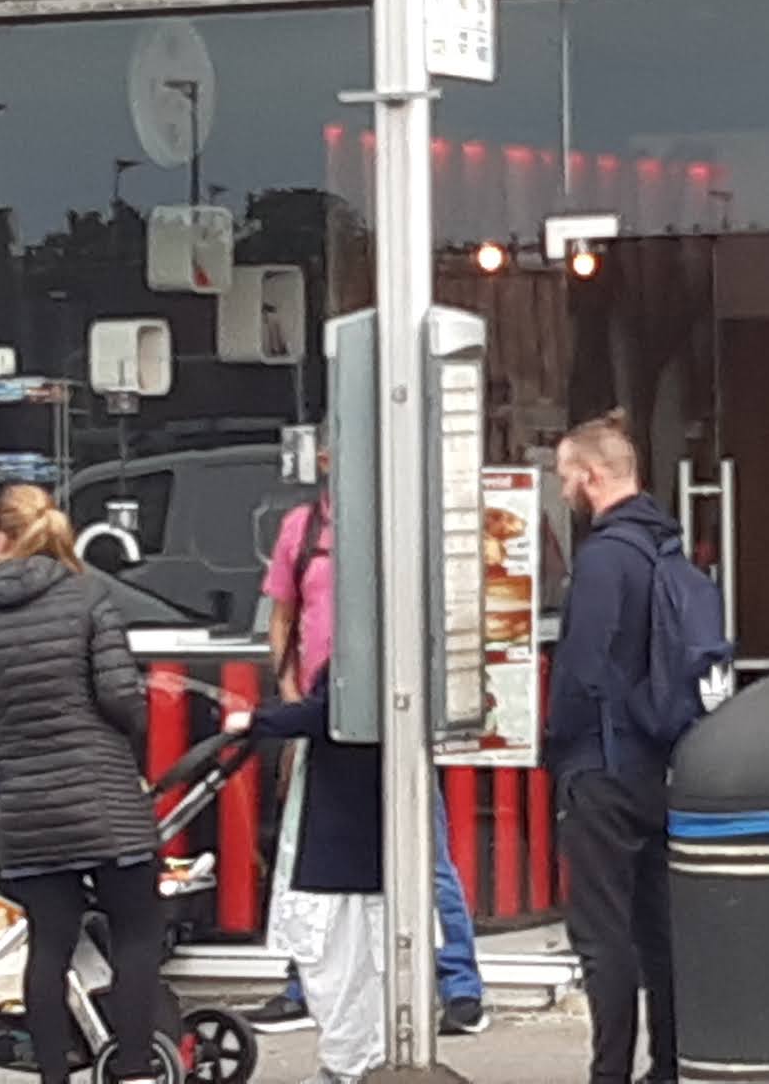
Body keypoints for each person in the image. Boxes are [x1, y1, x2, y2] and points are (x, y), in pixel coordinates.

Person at [248, 446, 487, 1038]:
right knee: (314, 856)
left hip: (392, 716)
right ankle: (305, 982)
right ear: (328, 459)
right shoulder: (301, 528)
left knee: (421, 850)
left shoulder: (398, 528)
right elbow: (283, 613)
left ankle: (459, 985)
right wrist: (288, 689)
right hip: (323, 714)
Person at [0, 486, 164, 1084]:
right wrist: (134, 741)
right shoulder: (88, 594)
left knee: (48, 944)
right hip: (103, 795)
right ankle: (131, 1068)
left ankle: (54, 1075)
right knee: (135, 932)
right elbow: (121, 696)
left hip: (28, 801)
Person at [547, 412, 679, 1084]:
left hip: (601, 766)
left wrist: (557, 749)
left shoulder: (602, 560)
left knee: (604, 937)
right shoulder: (668, 550)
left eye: (566, 475)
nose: (564, 488)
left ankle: (610, 1076)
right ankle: (672, 1066)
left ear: (591, 476)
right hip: (664, 762)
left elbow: (583, 670)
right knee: (659, 931)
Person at [226, 669, 386, 1084]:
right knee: (363, 965)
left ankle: (348, 1066)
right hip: (368, 835)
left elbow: (334, 711)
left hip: (340, 841)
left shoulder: (362, 648)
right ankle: (365, 1059)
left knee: (337, 966)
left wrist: (258, 721)